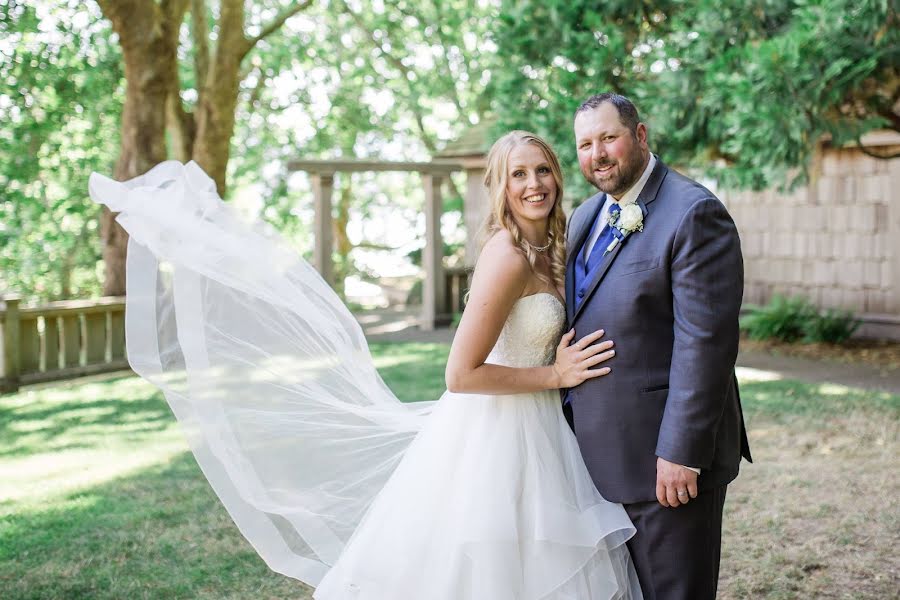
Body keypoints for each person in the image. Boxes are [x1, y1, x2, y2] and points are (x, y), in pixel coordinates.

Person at [89, 130, 643, 598]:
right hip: (498, 435)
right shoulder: (505, 256)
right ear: (499, 186)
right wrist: (555, 374)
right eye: (518, 174)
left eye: (542, 170)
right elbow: (461, 374)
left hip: (543, 427)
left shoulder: (552, 247)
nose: (534, 184)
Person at [563, 92, 753, 600]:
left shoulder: (692, 212)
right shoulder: (585, 216)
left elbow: (706, 343)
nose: (597, 154)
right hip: (596, 458)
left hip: (663, 464)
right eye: (585, 144)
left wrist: (680, 452)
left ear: (640, 136)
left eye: (609, 138)